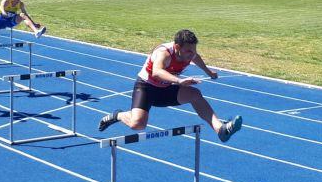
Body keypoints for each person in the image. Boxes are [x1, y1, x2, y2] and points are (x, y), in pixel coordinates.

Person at [98, 29, 242, 143]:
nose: (192, 54)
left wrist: (208, 71)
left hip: (165, 89)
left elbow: (196, 57)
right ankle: (118, 115)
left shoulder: (190, 54)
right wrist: (179, 81)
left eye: (194, 50)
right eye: (188, 51)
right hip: (146, 88)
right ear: (177, 47)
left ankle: (220, 129)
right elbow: (157, 72)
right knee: (138, 125)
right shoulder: (164, 53)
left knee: (195, 94)